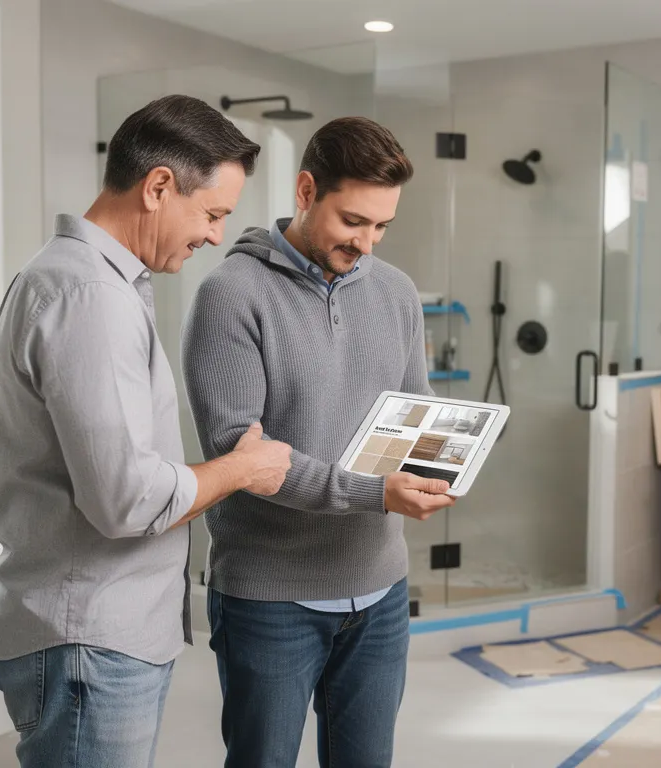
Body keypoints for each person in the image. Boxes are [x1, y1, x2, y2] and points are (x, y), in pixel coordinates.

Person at [0, 95, 293, 767]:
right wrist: (244, 469)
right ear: (158, 187)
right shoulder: (88, 298)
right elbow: (127, 499)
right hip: (87, 638)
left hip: (90, 634)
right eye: (211, 214)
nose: (215, 236)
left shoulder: (86, 283)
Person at [182, 116, 456, 768]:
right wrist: (377, 493)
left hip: (381, 588)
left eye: (382, 226)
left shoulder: (395, 291)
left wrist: (445, 455)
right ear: (306, 190)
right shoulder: (232, 295)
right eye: (353, 221)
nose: (367, 241)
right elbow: (243, 459)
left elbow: (417, 408)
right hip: (271, 596)